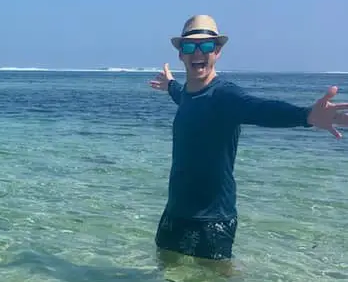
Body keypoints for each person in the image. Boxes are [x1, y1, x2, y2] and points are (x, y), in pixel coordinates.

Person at [148, 14, 347, 261]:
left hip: (213, 219)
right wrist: (169, 84)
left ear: (217, 51)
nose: (197, 52)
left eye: (206, 46)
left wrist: (306, 116)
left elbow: (259, 108)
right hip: (175, 212)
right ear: (181, 54)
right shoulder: (188, 94)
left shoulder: (225, 96)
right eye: (190, 46)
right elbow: (182, 96)